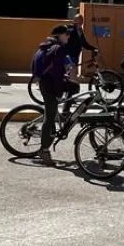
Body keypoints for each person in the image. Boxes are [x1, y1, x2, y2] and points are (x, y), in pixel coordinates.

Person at [31, 25, 72, 164]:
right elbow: (56, 74)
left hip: (45, 83)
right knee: (49, 118)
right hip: (50, 86)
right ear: (59, 35)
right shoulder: (58, 48)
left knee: (74, 87)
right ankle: (43, 150)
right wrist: (59, 92)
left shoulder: (45, 46)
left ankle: (65, 112)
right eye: (66, 34)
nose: (68, 36)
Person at [63, 12, 98, 80]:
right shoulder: (69, 29)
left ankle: (67, 85)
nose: (81, 22)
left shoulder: (80, 30)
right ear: (74, 20)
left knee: (70, 73)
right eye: (79, 20)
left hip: (75, 55)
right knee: (71, 73)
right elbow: (63, 41)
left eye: (82, 20)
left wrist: (93, 48)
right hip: (69, 55)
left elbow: (84, 43)